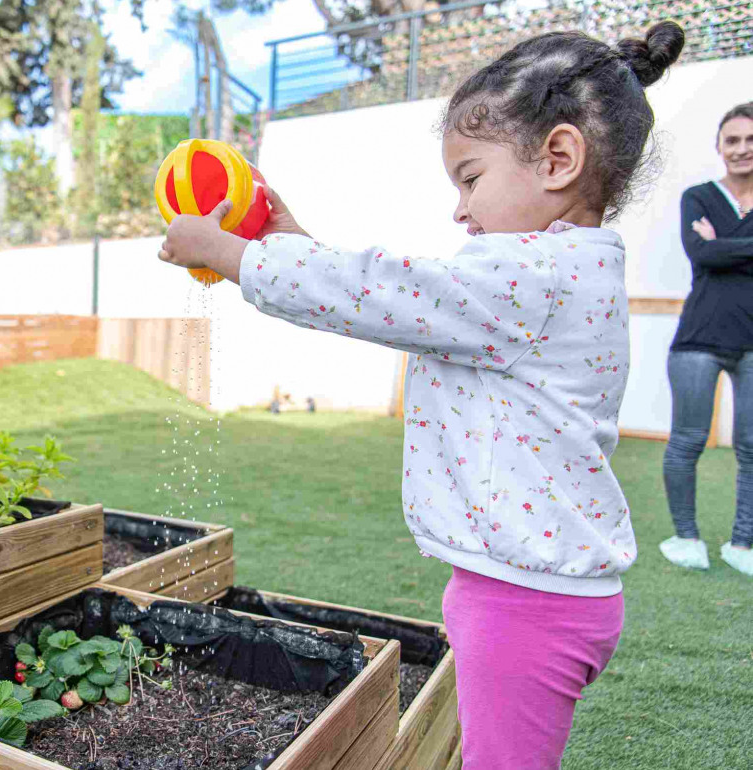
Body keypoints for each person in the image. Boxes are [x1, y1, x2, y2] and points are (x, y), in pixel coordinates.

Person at [157, 20, 684, 769]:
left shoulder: (533, 277)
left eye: (471, 178)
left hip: (524, 604)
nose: (460, 210)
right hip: (526, 592)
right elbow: (396, 298)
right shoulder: (558, 274)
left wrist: (232, 254)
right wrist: (287, 241)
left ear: (558, 159)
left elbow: (377, 292)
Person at [660, 103, 753, 577]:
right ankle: (686, 538)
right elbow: (701, 254)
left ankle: (743, 543)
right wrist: (713, 249)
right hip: (698, 339)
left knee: (752, 446)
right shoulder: (697, 196)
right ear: (719, 146)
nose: (741, 149)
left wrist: (721, 246)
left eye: (751, 140)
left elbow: (715, 251)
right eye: (732, 140)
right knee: (688, 440)